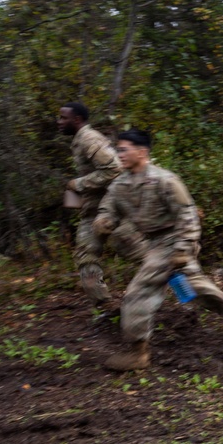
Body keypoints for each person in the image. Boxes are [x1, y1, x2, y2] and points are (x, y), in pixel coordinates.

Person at [92, 129, 223, 370]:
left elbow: (187, 215)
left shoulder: (165, 180)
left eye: (124, 149)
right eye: (118, 149)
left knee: (139, 291)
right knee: (191, 286)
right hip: (154, 243)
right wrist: (103, 221)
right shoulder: (120, 184)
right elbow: (109, 209)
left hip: (174, 240)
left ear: (142, 152)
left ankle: (138, 353)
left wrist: (183, 248)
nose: (119, 154)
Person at [57, 103, 144, 305]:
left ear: (77, 120)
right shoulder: (79, 141)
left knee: (140, 253)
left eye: (63, 118)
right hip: (93, 211)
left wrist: (78, 184)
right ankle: (106, 306)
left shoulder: (89, 139)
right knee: (86, 256)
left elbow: (114, 169)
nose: (59, 122)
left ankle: (187, 288)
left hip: (114, 209)